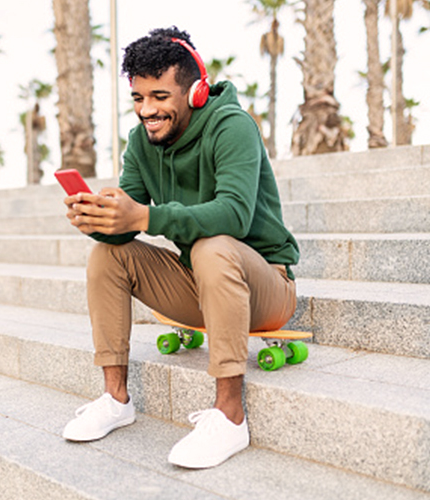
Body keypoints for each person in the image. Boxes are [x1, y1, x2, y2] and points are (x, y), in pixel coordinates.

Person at [61, 26, 299, 469]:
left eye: (159, 96)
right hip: (199, 286)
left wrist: (144, 217)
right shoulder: (141, 142)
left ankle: (230, 416)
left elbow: (234, 215)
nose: (147, 110)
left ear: (195, 91)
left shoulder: (233, 127)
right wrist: (99, 222)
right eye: (138, 98)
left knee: (212, 246)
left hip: (266, 288)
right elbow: (127, 225)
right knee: (108, 256)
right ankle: (115, 400)